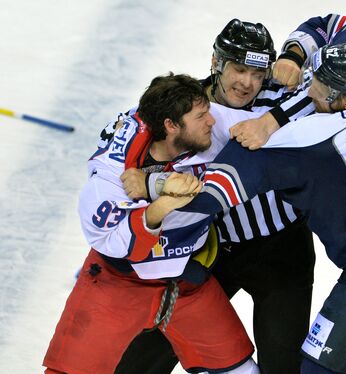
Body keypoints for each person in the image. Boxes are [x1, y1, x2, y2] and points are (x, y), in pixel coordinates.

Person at [179, 39, 346, 374]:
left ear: (344, 100)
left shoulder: (308, 141)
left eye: (319, 85)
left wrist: (155, 195)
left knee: (320, 369)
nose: (308, 89)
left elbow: (220, 187)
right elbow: (338, 22)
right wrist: (294, 55)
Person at [113, 19, 316, 374]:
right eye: (239, 69)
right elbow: (145, 140)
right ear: (216, 62)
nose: (248, 83)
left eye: (257, 72)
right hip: (216, 250)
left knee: (283, 366)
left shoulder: (279, 94)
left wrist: (296, 55)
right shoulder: (187, 105)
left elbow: (331, 33)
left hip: (284, 250)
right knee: (147, 352)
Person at [43, 73, 263, 374]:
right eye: (201, 116)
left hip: (188, 280)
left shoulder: (207, 127)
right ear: (171, 125)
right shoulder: (109, 175)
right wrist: (161, 207)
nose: (211, 121)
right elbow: (113, 240)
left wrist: (153, 185)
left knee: (240, 370)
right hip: (117, 284)